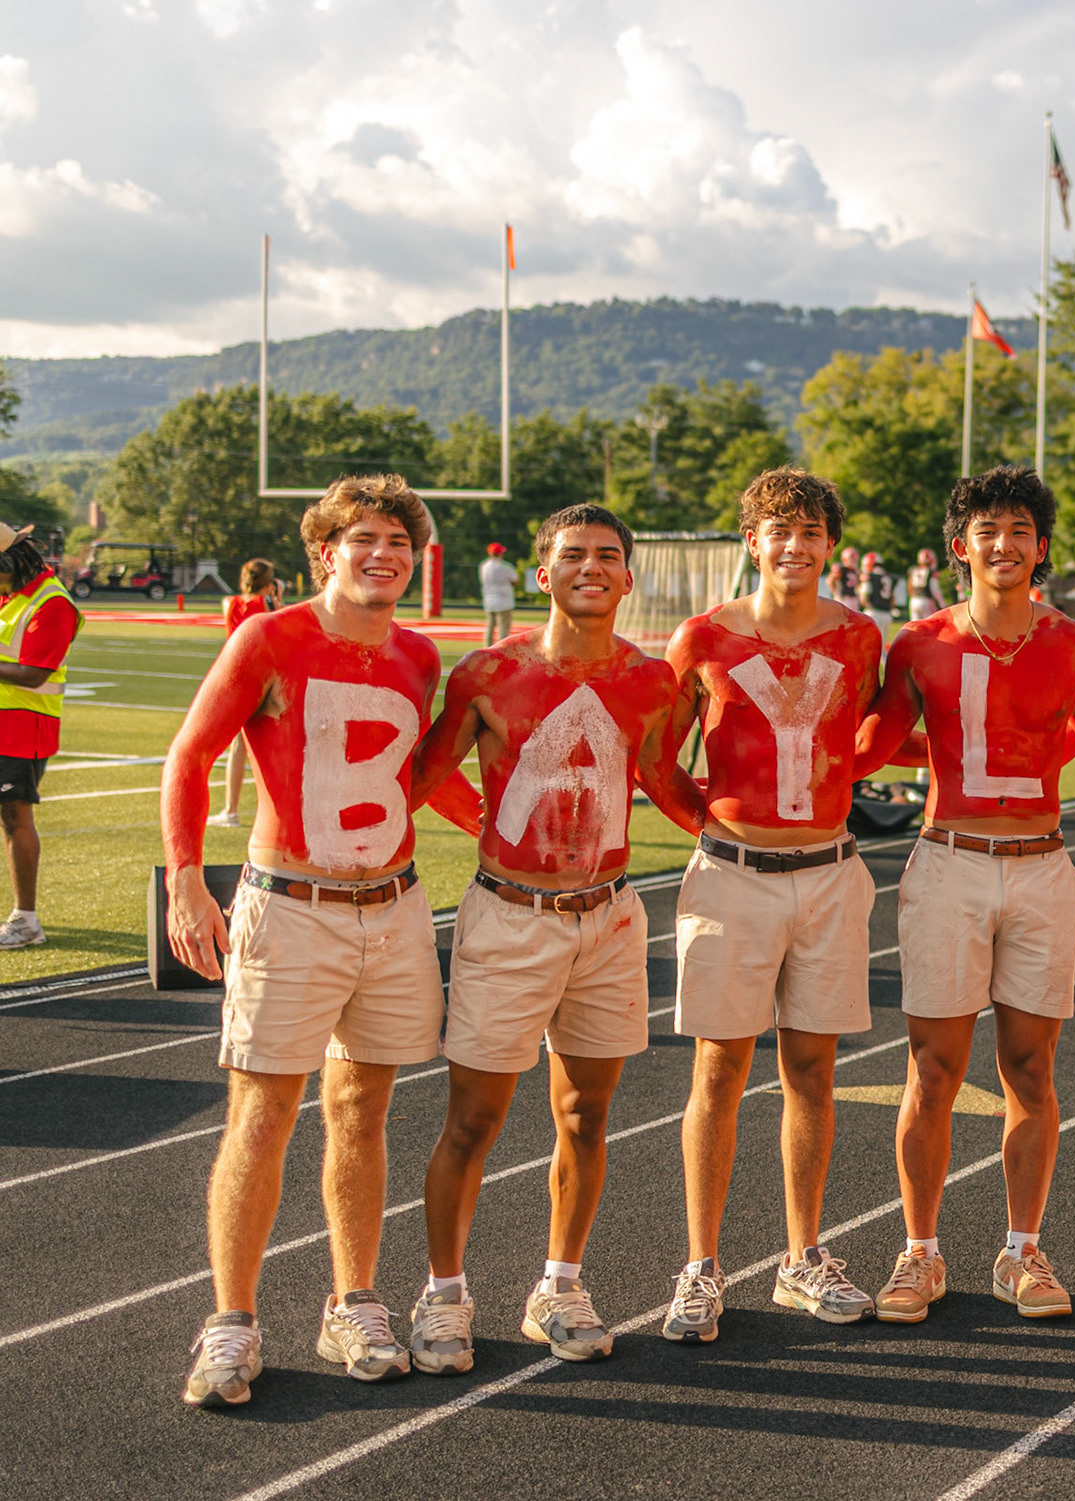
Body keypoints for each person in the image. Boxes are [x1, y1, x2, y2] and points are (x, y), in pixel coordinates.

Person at [164, 474, 455, 1406]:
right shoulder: (270, 637)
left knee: (363, 1111)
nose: (384, 554)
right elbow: (191, 752)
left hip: (393, 905)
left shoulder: (418, 654)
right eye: (364, 538)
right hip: (289, 902)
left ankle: (352, 1301)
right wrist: (183, 877)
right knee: (262, 1113)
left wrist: (508, 821)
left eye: (399, 542)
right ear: (326, 552)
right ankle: (232, 1321)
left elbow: (413, 773)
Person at [407, 504, 703, 1373]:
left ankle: (560, 1285)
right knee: (474, 1119)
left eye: (608, 555)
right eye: (573, 554)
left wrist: (747, 834)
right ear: (543, 574)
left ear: (628, 576)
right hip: (510, 914)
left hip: (608, 917)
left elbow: (667, 782)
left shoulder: (651, 680)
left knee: (586, 1113)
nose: (591, 566)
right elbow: (425, 777)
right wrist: (491, 822)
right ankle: (444, 1295)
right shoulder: (488, 671)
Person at [857, 464, 1075, 1323]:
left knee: (1031, 1068)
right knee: (933, 1069)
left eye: (1019, 530)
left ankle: (1022, 1249)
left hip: (1042, 864)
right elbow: (870, 748)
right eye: (988, 530)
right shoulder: (919, 643)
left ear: (1040, 545)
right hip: (949, 861)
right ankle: (920, 1250)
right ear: (959, 546)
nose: (1004, 544)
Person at [659, 468, 887, 1343]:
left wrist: (835, 784)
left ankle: (801, 1256)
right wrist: (711, 825)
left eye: (811, 531)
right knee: (718, 1069)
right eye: (779, 530)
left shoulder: (859, 635)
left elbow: (874, 731)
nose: (795, 545)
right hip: (733, 874)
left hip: (828, 871)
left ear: (832, 544)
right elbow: (657, 757)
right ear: (751, 540)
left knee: (813, 1071)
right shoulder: (702, 636)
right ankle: (700, 1264)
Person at [0, 522, 81, 951]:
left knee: (15, 818)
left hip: (22, 727)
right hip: (7, 722)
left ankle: (26, 920)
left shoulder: (53, 603)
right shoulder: (13, 594)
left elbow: (34, 674)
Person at [210, 559, 276, 830]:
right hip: (266, 677)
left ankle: (231, 810)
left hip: (237, 677)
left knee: (238, 747)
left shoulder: (229, 603)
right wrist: (276, 599)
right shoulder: (268, 606)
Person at [480, 542, 517, 647]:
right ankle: (501, 649)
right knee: (503, 628)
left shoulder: (484, 566)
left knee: (490, 627)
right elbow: (515, 581)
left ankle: (487, 648)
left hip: (489, 600)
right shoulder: (505, 566)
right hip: (504, 600)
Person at [860, 550, 895, 633]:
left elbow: (864, 598)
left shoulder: (869, 576)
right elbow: (893, 599)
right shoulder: (889, 577)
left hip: (873, 612)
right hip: (887, 614)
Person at [906, 548, 947, 621]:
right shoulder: (931, 573)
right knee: (928, 624)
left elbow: (909, 586)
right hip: (926, 600)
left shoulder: (913, 570)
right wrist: (942, 604)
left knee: (915, 624)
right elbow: (935, 590)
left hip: (914, 600)